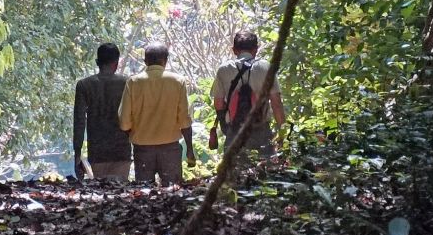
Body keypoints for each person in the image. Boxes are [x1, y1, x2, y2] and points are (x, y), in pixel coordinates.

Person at [118, 42, 196, 185]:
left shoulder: (133, 82)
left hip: (142, 148)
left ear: (145, 61)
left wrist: (134, 135)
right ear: (165, 60)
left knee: (144, 191)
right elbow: (184, 119)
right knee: (173, 191)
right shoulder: (178, 81)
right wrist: (190, 150)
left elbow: (124, 122)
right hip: (170, 148)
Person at [209, 30, 287, 157]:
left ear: (234, 50)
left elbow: (218, 104)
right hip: (261, 130)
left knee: (234, 172)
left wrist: (226, 126)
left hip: (235, 131)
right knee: (265, 171)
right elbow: (276, 103)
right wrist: (283, 134)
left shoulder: (223, 70)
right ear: (255, 49)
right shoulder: (266, 67)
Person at [73, 43, 132, 180]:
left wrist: (77, 154)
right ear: (116, 63)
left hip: (98, 151)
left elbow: (79, 121)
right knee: (121, 192)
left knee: (102, 191)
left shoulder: (84, 85)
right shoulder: (127, 83)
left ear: (97, 62)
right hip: (121, 149)